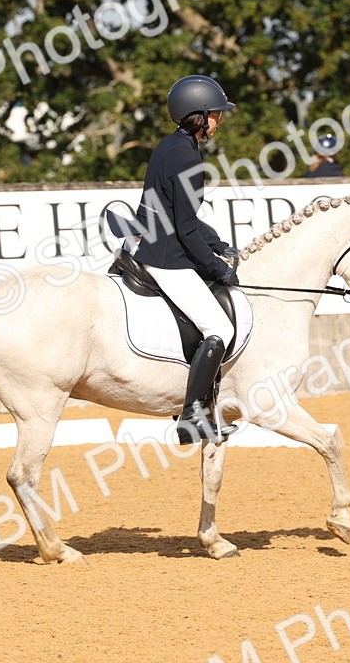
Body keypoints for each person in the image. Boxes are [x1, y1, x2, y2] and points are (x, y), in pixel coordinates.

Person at [128, 75, 241, 444]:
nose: (219, 120)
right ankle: (192, 417)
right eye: (216, 114)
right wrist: (219, 267)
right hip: (166, 257)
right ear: (200, 114)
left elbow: (185, 217)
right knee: (220, 329)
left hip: (155, 243)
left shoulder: (170, 146)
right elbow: (186, 230)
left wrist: (220, 243)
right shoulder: (186, 157)